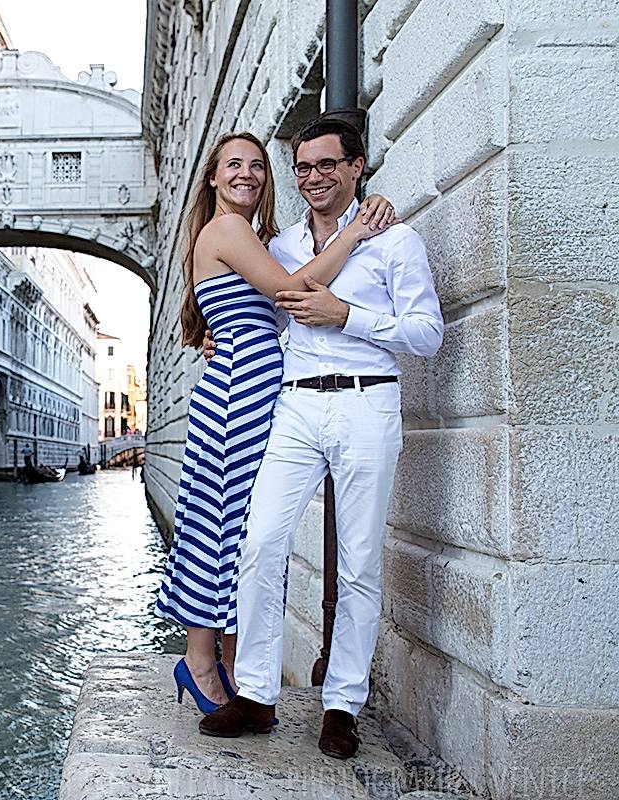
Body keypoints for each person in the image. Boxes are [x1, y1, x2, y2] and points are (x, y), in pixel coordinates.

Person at [196, 117, 443, 759]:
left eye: (328, 165)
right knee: (261, 541)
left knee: (358, 561)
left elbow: (427, 334)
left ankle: (341, 706)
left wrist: (350, 317)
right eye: (303, 167)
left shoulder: (398, 241)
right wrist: (210, 334)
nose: (314, 178)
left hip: (367, 405)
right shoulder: (276, 246)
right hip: (296, 407)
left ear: (357, 166)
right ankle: (254, 693)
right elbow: (260, 301)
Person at [154, 131, 397, 721]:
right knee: (223, 525)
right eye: (233, 164)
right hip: (240, 395)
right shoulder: (228, 229)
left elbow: (254, 311)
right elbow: (293, 292)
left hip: (257, 390)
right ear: (211, 178)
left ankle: (231, 661)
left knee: (235, 527)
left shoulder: (246, 236)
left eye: (258, 165)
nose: (248, 174)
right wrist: (355, 233)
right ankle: (202, 661)